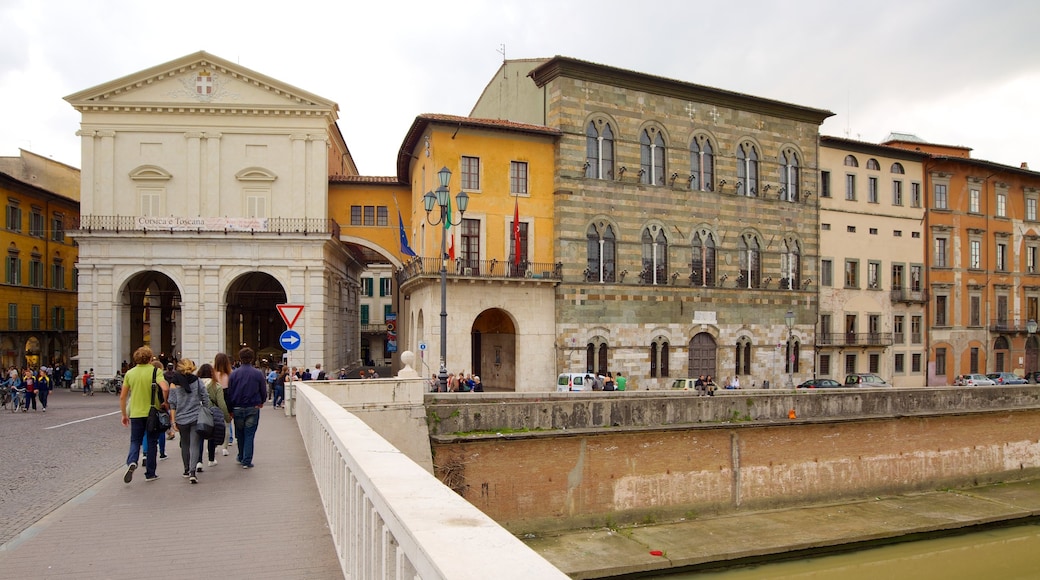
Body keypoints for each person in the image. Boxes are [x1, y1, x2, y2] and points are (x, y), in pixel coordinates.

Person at [120, 346, 169, 483]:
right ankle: (150, 473)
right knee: (152, 442)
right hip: (152, 412)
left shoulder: (130, 373)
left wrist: (124, 414)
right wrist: (165, 402)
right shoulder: (155, 371)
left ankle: (132, 461)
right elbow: (165, 388)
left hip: (135, 412)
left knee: (135, 440)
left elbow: (123, 397)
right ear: (149, 358)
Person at [167, 359, 211, 484]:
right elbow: (205, 396)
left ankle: (186, 470)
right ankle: (193, 472)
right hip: (196, 416)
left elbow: (172, 403)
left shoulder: (174, 383)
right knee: (195, 445)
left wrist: (173, 421)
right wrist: (206, 409)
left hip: (181, 418)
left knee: (184, 444)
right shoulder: (197, 381)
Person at [226, 347, 267, 469]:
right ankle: (247, 460)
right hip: (252, 407)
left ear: (240, 358)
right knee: (249, 434)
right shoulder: (257, 373)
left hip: (237, 407)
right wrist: (261, 401)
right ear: (252, 358)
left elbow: (229, 392)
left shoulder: (234, 374)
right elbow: (263, 390)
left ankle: (240, 455)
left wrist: (230, 409)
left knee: (240, 433)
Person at [198, 363, 230, 467]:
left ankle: (198, 461)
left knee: (198, 437)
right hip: (210, 412)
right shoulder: (216, 385)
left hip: (197, 412)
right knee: (211, 435)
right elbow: (221, 403)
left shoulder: (195, 384)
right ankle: (211, 460)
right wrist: (226, 417)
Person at [213, 352, 233, 456]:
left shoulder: (212, 375)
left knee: (214, 426)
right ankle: (225, 447)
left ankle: (214, 446)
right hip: (227, 402)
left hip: (214, 402)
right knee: (227, 425)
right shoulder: (230, 375)